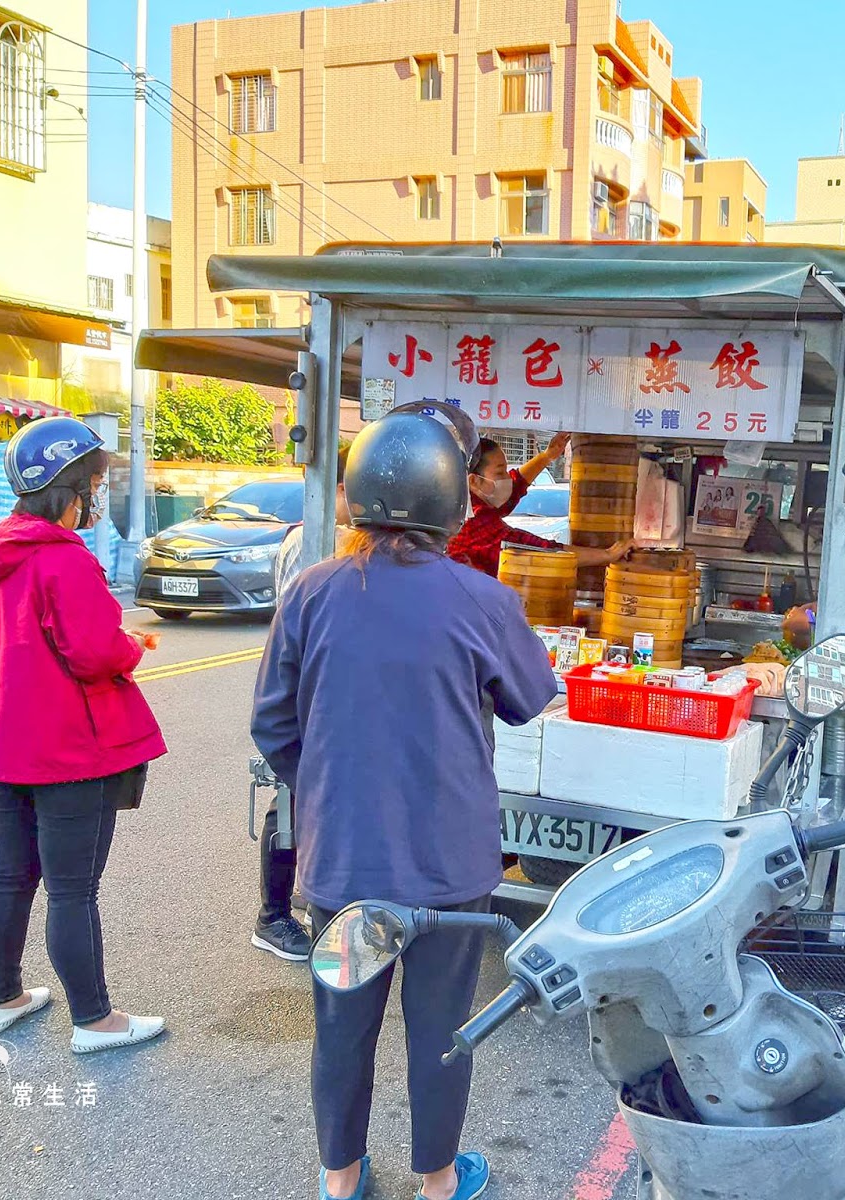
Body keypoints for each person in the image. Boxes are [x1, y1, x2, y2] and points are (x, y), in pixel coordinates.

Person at [252, 403, 556, 1200]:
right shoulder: (482, 599)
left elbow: (272, 726)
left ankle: (341, 1177)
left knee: (342, 1027)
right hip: (450, 865)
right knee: (442, 1031)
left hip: (345, 857)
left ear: (355, 495)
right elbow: (531, 696)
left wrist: (327, 784)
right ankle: (438, 1181)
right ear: (454, 505)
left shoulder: (311, 593)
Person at [0, 417, 167, 1055]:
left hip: (3, 742)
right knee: (73, 888)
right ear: (68, 490)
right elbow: (92, 652)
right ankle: (95, 1020)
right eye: (95, 483)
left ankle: (4, 998)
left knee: (10, 874)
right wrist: (127, 646)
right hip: (67, 748)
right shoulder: (62, 559)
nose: (98, 496)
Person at [256, 443, 355, 963]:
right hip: (301, 689)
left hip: (311, 686)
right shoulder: (313, 542)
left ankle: (304, 896)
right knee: (292, 798)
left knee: (309, 799)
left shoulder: (333, 539)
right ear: (337, 490)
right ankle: (272, 916)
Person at [446, 432, 631, 576]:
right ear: (474, 481)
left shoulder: (467, 501)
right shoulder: (472, 521)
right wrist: (606, 555)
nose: (506, 479)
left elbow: (515, 485)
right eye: (500, 472)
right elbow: (536, 549)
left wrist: (548, 456)